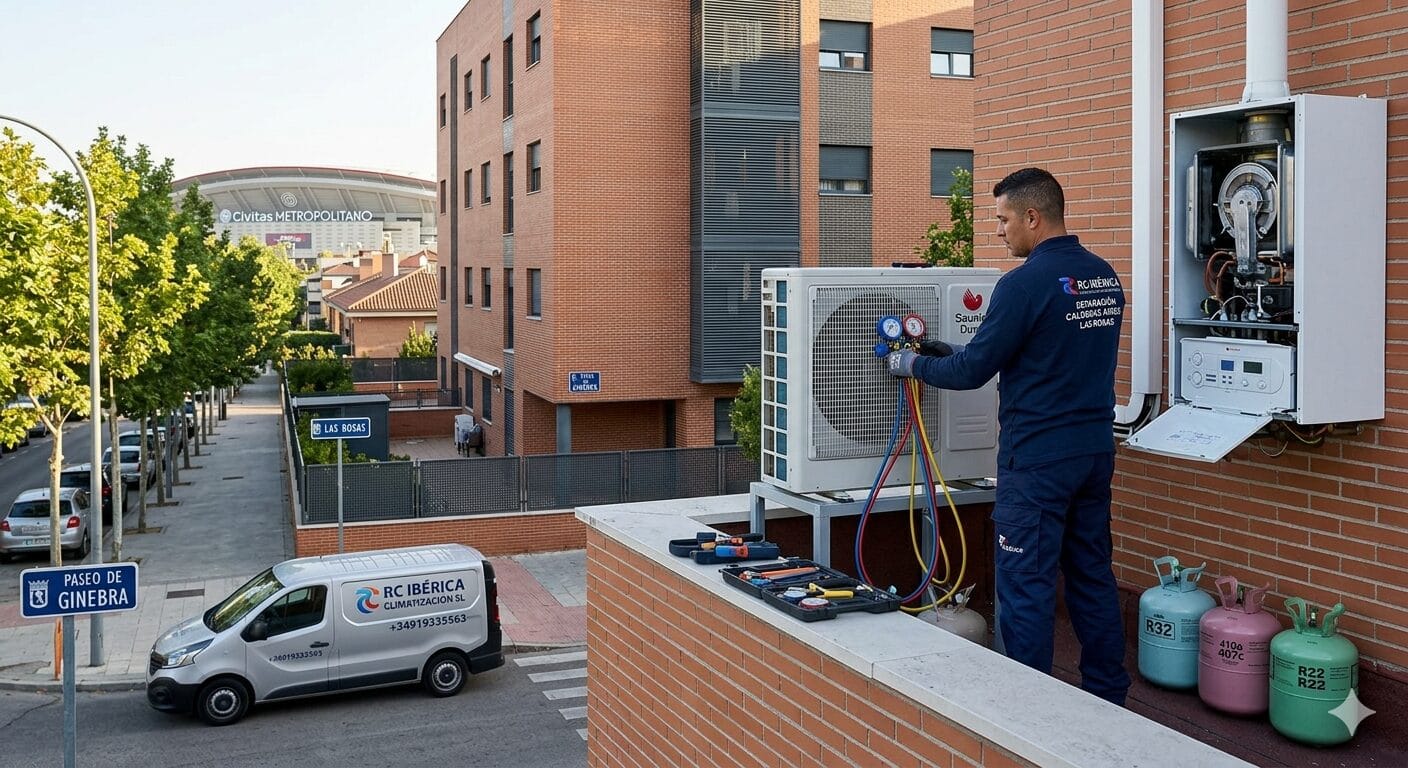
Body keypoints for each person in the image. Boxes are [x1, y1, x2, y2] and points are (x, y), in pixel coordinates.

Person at [886, 167, 1131, 706]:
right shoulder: (1102, 277)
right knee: (1092, 575)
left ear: (1032, 217)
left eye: (1002, 220)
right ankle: (1110, 701)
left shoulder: (1021, 285)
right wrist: (944, 351)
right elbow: (1026, 356)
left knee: (1026, 589)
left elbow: (974, 372)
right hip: (1092, 453)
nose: (998, 231)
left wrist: (909, 364)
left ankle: (1027, 717)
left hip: (1037, 463)